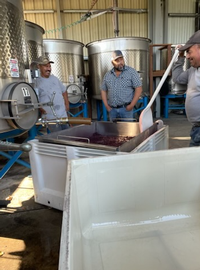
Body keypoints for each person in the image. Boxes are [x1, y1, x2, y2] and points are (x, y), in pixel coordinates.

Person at [172, 30, 200, 146]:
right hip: (196, 129)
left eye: (189, 52)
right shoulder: (193, 70)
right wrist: (180, 57)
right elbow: (177, 78)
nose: (188, 56)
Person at [101, 50, 143, 121]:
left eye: (121, 59)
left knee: (127, 131)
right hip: (112, 110)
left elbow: (138, 88)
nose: (120, 62)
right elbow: (103, 90)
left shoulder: (131, 72)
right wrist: (106, 106)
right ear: (112, 63)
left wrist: (132, 105)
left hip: (126, 109)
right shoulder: (108, 75)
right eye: (117, 60)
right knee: (113, 131)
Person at [35, 56, 70, 132]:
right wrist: (40, 108)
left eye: (49, 66)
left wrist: (67, 104)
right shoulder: (36, 82)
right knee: (58, 137)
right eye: (45, 66)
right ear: (39, 66)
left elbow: (64, 91)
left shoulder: (55, 79)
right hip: (50, 118)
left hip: (63, 115)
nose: (49, 69)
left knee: (67, 135)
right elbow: (34, 99)